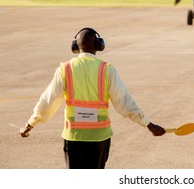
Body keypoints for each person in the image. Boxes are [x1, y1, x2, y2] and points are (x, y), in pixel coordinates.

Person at [19, 27, 166, 169]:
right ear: (99, 45)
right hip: (99, 138)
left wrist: (30, 123)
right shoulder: (106, 70)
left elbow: (47, 101)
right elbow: (125, 102)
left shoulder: (65, 69)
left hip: (74, 137)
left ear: (75, 46)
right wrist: (148, 124)